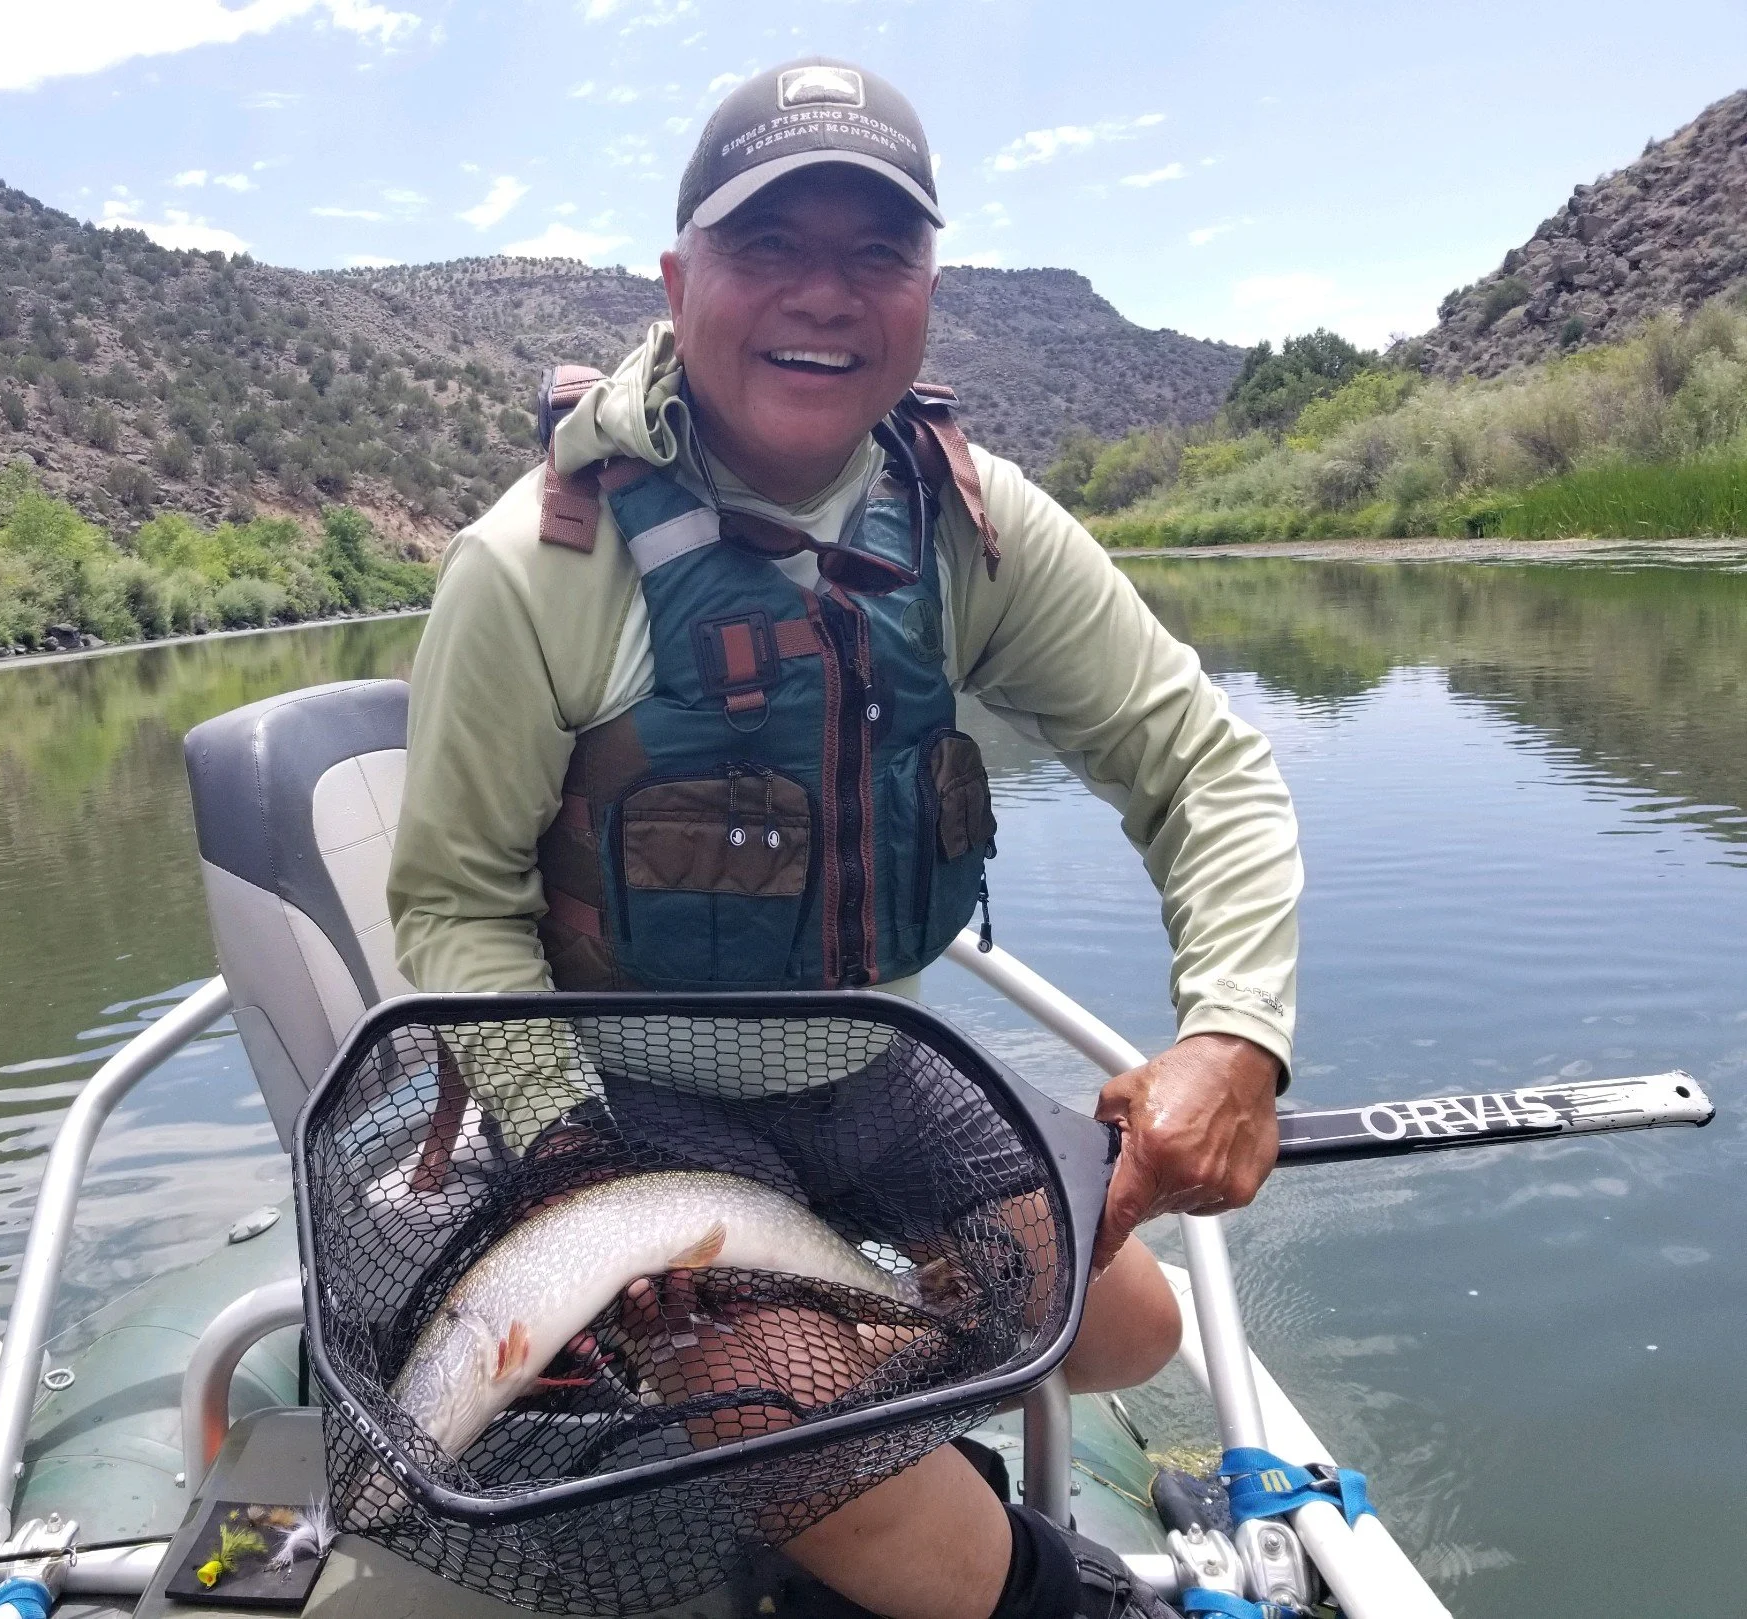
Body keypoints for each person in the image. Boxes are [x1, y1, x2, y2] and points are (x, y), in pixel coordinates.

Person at [388, 56, 1300, 1619]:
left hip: (869, 1056)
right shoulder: (530, 566)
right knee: (810, 1446)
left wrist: (1233, 1032)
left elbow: (1194, 760)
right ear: (680, 281)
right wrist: (568, 1152)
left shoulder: (970, 525)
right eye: (766, 249)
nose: (824, 295)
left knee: (1125, 1328)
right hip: (630, 1090)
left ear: (927, 291)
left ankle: (831, 1378)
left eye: (875, 252)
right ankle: (975, 1553)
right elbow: (454, 906)